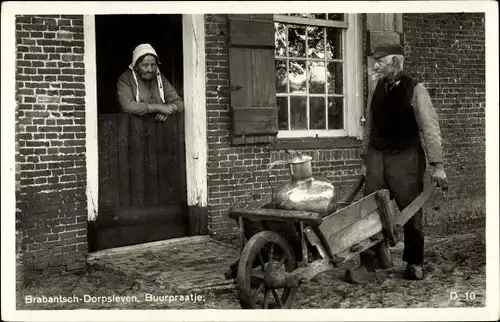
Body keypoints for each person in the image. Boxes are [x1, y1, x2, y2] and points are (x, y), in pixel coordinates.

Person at [345, 43, 448, 284]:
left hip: (406, 160)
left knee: (410, 211)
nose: (375, 66)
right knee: (368, 211)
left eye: (379, 61)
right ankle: (370, 265)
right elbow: (369, 125)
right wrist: (365, 158)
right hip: (377, 158)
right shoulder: (376, 88)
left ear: (394, 62)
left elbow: (430, 128)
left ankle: (414, 263)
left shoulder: (416, 90)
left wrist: (437, 164)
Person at [117, 43, 184, 121]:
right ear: (136, 66)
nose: (150, 70)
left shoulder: (159, 78)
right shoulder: (125, 79)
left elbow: (179, 102)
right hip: (133, 128)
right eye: (145, 65)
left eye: (153, 65)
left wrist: (170, 110)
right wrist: (158, 108)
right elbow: (126, 106)